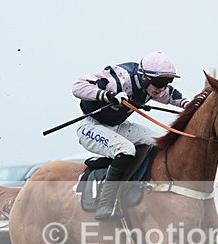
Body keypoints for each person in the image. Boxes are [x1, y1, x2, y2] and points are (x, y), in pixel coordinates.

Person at [72, 51, 190, 220]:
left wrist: (192, 106)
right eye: (159, 83)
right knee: (126, 149)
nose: (162, 88)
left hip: (118, 126)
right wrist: (108, 95)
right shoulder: (119, 78)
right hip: (92, 126)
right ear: (143, 77)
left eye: (167, 82)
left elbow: (173, 97)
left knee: (159, 142)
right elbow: (77, 85)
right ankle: (106, 203)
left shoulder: (155, 87)